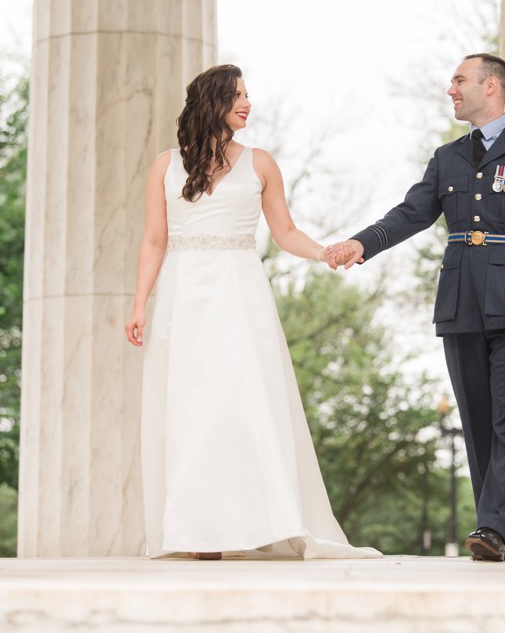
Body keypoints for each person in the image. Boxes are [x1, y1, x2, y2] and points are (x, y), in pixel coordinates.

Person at [327, 53, 505, 562]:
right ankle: (504, 535)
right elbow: (412, 213)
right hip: (460, 300)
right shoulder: (447, 157)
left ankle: (489, 526)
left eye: (459, 80)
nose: (451, 89)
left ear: (491, 86)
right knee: (477, 418)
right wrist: (363, 243)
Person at [125, 64, 380, 561]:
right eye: (237, 95)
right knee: (190, 407)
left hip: (240, 296)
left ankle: (254, 521)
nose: (247, 103)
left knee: (244, 405)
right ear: (211, 102)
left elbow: (284, 232)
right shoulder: (164, 165)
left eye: (247, 95)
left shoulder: (261, 163)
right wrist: (139, 305)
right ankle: (198, 531)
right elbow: (155, 239)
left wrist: (325, 251)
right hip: (183, 296)